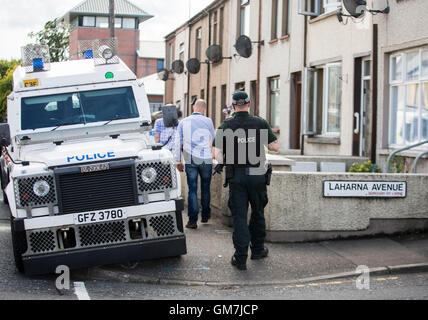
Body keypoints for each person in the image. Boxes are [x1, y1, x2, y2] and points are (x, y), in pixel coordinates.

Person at [212, 91, 279, 271]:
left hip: (237, 176)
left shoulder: (226, 125)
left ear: (233, 106)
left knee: (240, 216)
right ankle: (257, 250)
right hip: (257, 175)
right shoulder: (260, 122)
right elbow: (275, 147)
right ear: (249, 104)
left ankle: (240, 257)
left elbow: (217, 154)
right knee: (257, 212)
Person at [174, 99, 215, 229]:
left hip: (190, 158)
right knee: (205, 187)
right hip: (206, 158)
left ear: (193, 108)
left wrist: (178, 160)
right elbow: (213, 140)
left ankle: (192, 220)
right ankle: (205, 215)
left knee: (192, 188)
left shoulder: (184, 122)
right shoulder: (208, 121)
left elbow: (177, 142)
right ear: (204, 109)